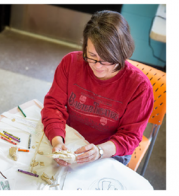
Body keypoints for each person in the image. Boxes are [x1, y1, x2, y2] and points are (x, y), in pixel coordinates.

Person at [41, 10, 154, 167]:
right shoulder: (71, 63)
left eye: (106, 59)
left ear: (122, 53)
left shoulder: (139, 87)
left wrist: (99, 151)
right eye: (91, 56)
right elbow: (54, 106)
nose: (98, 66)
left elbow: (130, 137)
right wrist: (57, 141)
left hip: (110, 150)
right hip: (72, 138)